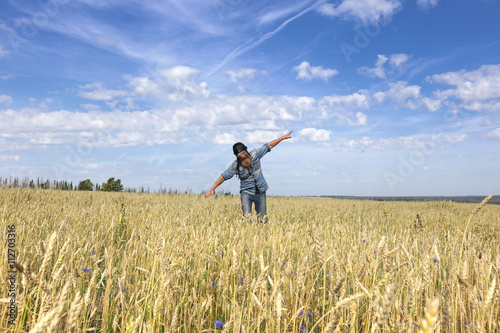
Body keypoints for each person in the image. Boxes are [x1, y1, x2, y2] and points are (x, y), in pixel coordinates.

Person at [204, 131, 293, 222]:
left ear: (246, 151)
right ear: (237, 156)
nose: (242, 156)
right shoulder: (236, 165)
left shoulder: (255, 154)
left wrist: (282, 138)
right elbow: (224, 176)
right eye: (239, 155)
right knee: (247, 219)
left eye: (243, 153)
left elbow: (268, 146)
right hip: (246, 193)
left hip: (260, 192)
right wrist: (212, 189)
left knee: (263, 219)